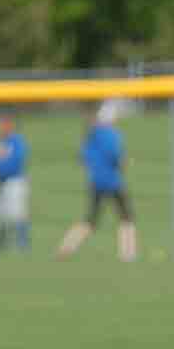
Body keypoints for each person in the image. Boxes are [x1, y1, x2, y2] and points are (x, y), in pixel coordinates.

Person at [55, 106, 137, 263]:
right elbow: (116, 157)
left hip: (95, 182)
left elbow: (82, 158)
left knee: (90, 220)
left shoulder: (91, 136)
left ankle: (67, 246)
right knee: (126, 218)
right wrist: (124, 163)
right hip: (113, 182)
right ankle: (128, 254)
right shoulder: (112, 135)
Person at [0, 115, 30, 253]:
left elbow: (16, 163)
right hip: (1, 184)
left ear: (9, 126)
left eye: (2, 125)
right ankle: (0, 247)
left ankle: (23, 246)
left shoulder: (17, 142)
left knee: (17, 214)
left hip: (15, 183)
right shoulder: (1, 142)